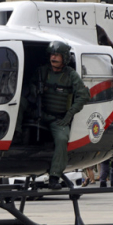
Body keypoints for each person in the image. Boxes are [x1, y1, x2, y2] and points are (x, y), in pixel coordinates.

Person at [25, 41, 90, 189]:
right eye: (52, 54)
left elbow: (84, 96)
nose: (53, 57)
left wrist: (69, 115)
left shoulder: (71, 75)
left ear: (65, 57)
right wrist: (35, 91)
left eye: (57, 55)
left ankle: (54, 177)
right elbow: (29, 86)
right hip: (39, 114)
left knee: (62, 139)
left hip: (58, 119)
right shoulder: (42, 71)